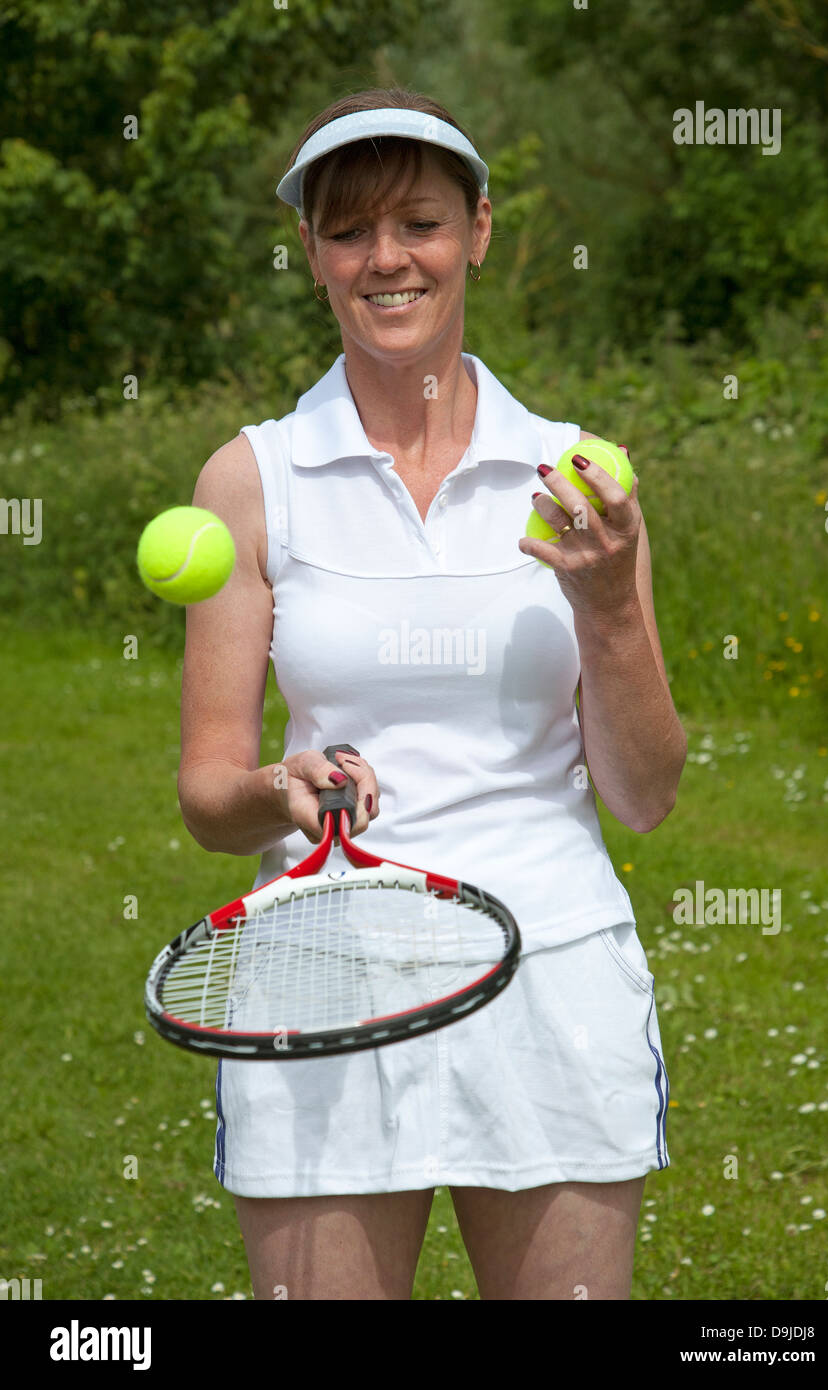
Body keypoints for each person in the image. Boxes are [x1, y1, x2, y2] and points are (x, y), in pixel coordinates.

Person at [177, 87, 687, 1301]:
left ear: (480, 230)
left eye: (419, 222)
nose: (386, 258)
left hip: (551, 970)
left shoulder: (574, 477)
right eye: (349, 231)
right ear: (310, 254)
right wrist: (272, 789)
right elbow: (208, 795)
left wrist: (610, 606)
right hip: (323, 974)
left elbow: (647, 794)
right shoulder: (251, 478)